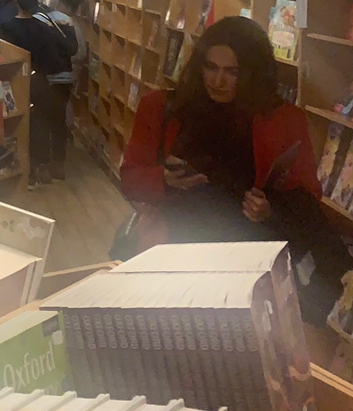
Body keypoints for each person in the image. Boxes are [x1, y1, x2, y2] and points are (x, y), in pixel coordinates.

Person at [120, 17, 339, 319]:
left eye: (232, 72)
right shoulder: (161, 107)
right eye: (210, 67)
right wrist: (166, 181)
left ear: (253, 73)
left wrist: (270, 209)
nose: (217, 81)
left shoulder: (284, 119)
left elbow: (306, 196)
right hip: (175, 247)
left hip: (250, 259)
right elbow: (130, 179)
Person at [0, 0, 77, 185]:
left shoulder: (6, 27)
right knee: (42, 123)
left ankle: (25, 169)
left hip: (16, 82)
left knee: (21, 125)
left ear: (16, 2)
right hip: (41, 81)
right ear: (36, 2)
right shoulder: (44, 28)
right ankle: (41, 166)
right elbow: (54, 56)